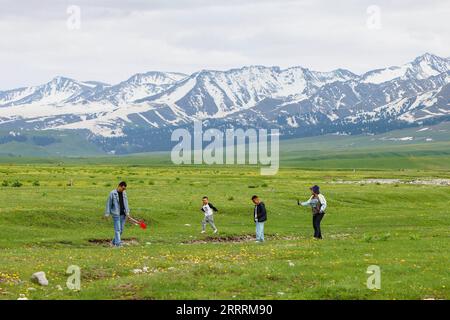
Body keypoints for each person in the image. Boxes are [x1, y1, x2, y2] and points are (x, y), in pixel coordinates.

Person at [105, 181, 130, 247]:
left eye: (124, 189)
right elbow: (109, 203)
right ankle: (118, 244)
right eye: (123, 188)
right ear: (119, 186)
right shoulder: (112, 193)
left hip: (123, 214)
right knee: (117, 229)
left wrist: (127, 212)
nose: (123, 190)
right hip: (116, 214)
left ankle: (113, 242)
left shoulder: (124, 193)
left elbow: (126, 203)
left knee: (121, 230)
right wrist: (107, 214)